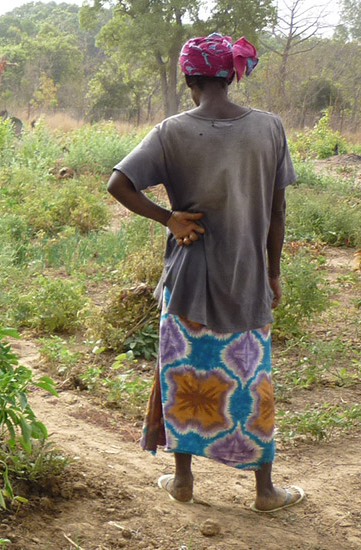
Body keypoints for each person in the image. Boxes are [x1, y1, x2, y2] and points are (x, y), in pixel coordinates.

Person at [105, 33, 305, 513]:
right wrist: (272, 273)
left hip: (189, 279)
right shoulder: (270, 128)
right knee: (252, 381)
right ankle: (264, 492)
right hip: (247, 277)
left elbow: (118, 184)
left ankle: (182, 482)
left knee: (183, 375)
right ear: (230, 75)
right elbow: (277, 215)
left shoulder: (170, 131)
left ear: (189, 77)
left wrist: (168, 218)